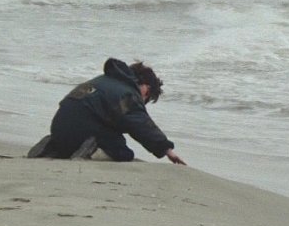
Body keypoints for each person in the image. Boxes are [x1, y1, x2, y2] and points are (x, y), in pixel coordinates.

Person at [28, 58, 186, 165]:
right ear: (146, 88)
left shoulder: (101, 81)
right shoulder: (127, 94)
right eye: (147, 98)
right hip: (84, 131)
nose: (143, 103)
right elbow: (140, 124)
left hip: (59, 127)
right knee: (123, 153)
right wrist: (166, 149)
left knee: (100, 132)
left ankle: (53, 146)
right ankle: (91, 152)